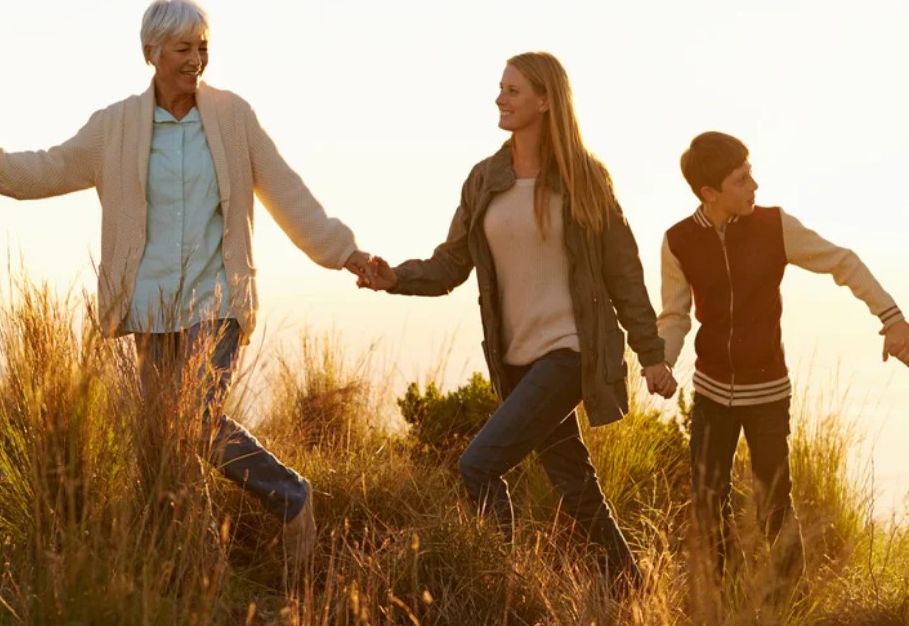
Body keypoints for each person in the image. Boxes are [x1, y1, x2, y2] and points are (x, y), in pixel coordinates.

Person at [0, 0, 371, 565]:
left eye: (203, 47)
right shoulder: (116, 126)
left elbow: (286, 191)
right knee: (163, 445)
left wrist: (345, 252)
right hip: (150, 306)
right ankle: (195, 558)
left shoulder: (232, 118)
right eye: (183, 48)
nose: (197, 59)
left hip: (216, 299)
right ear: (152, 53)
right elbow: (49, 166)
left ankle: (291, 498)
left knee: (195, 420)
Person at [357, 52, 675, 588]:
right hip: (518, 364)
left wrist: (651, 356)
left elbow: (624, 274)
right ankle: (633, 589)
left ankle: (499, 586)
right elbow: (452, 263)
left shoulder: (586, 180)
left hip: (570, 353)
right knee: (575, 486)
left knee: (476, 466)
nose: (500, 99)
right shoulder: (484, 180)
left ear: (546, 101)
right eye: (500, 89)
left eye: (513, 91)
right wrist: (396, 278)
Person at [658, 131, 909, 582]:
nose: (754, 185)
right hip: (711, 393)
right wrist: (661, 362)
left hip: (768, 392)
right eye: (742, 179)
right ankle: (723, 598)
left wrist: (892, 320)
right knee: (706, 501)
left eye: (750, 173)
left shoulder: (774, 227)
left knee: (774, 505)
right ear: (709, 193)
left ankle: (788, 600)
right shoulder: (678, 241)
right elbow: (674, 315)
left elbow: (843, 262)